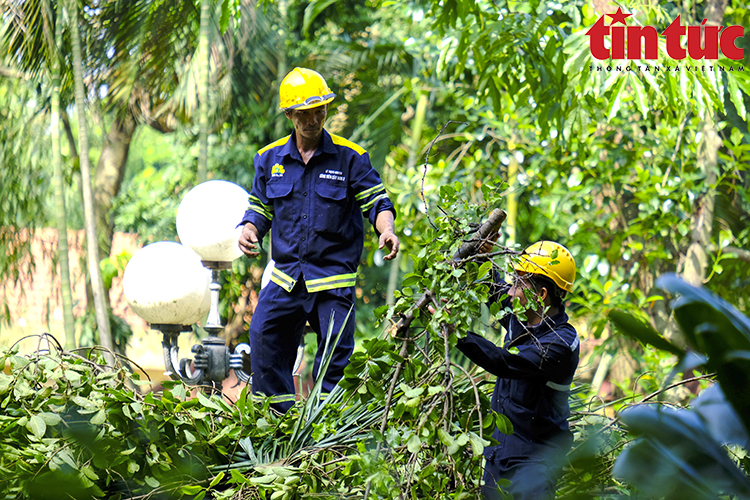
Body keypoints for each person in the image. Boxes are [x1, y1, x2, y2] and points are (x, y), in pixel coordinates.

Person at [238, 67, 399, 413]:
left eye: (320, 111)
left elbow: (378, 203)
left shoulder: (351, 157)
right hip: (286, 277)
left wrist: (386, 229)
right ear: (289, 114)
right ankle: (277, 420)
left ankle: (324, 427)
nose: (313, 119)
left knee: (334, 358)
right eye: (304, 113)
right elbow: (259, 209)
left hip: (332, 279)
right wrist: (249, 229)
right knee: (263, 338)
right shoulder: (269, 159)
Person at [455, 240, 579, 500]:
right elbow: (493, 288)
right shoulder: (521, 314)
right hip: (498, 457)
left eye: (518, 285)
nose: (510, 292)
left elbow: (505, 362)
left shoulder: (561, 344)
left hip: (534, 465)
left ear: (541, 294)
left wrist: (456, 333)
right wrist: (480, 249)